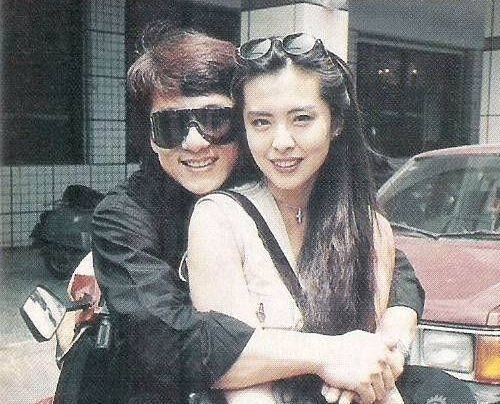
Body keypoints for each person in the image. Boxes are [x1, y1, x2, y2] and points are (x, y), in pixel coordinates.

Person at [56, 23, 424, 404]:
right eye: (171, 125)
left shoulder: (271, 175)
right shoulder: (123, 217)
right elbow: (171, 343)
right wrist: (333, 353)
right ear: (150, 137)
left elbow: (386, 260)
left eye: (215, 120)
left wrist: (388, 348)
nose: (194, 142)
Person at [186, 34, 476, 404]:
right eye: (261, 122)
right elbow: (239, 376)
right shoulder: (219, 220)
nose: (281, 141)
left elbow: (368, 374)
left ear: (335, 122)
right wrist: (333, 356)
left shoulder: (369, 228)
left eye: (302, 119)